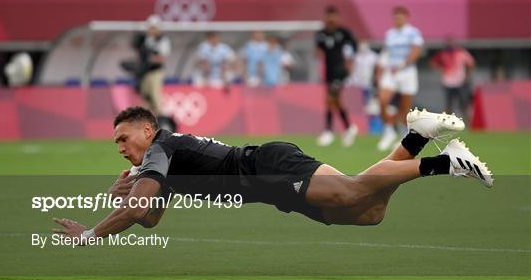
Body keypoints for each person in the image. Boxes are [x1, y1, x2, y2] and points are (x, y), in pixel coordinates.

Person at [53, 106, 493, 242]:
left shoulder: (161, 149)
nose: (121, 147)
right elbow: (147, 217)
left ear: (147, 130)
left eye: (124, 137)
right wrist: (122, 200)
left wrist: (90, 234)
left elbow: (137, 211)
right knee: (368, 212)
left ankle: (445, 162)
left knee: (353, 192)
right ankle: (415, 139)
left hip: (268, 167)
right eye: (116, 143)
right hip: (272, 188)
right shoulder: (162, 164)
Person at [377, 6, 424, 151]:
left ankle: (403, 136)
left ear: (406, 18)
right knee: (383, 100)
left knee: (405, 108)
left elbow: (416, 51)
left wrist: (402, 64)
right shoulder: (390, 34)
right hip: (392, 73)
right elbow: (386, 53)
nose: (398, 19)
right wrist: (380, 70)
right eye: (396, 17)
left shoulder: (413, 32)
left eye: (400, 17)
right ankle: (389, 130)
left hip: (407, 73)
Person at [315, 6, 359, 147]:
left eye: (333, 15)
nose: (331, 18)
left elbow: (354, 47)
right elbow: (318, 50)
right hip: (329, 72)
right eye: (329, 15)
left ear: (337, 17)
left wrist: (350, 63)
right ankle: (349, 128)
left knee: (330, 99)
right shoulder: (321, 33)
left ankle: (328, 131)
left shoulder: (344, 32)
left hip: (341, 71)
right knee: (335, 101)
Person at [126, 15, 176, 132]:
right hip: (145, 73)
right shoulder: (147, 39)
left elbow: (161, 58)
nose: (151, 30)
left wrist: (148, 58)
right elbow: (140, 54)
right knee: (146, 99)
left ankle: (165, 125)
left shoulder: (163, 40)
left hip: (155, 72)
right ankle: (147, 126)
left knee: (156, 98)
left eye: (153, 28)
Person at [430, 37, 475, 123]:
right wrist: (440, 69)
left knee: (464, 105)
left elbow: (471, 63)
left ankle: (470, 125)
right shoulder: (442, 54)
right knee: (448, 106)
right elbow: (432, 63)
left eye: (452, 43)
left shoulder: (461, 52)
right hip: (447, 83)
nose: (450, 45)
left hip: (460, 83)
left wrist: (467, 75)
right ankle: (447, 125)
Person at [349, 41, 378, 105]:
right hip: (357, 80)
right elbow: (352, 68)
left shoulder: (373, 56)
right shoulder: (356, 56)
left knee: (366, 98)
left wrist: (375, 79)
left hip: (368, 79)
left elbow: (377, 68)